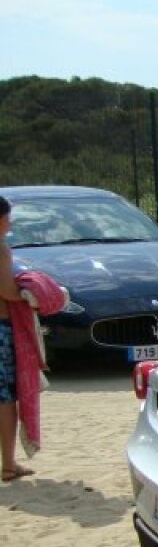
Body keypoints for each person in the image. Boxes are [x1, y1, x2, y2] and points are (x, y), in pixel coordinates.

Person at [0, 195, 32, 482]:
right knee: (5, 400)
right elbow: (7, 291)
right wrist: (29, 293)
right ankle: (8, 464)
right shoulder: (1, 250)